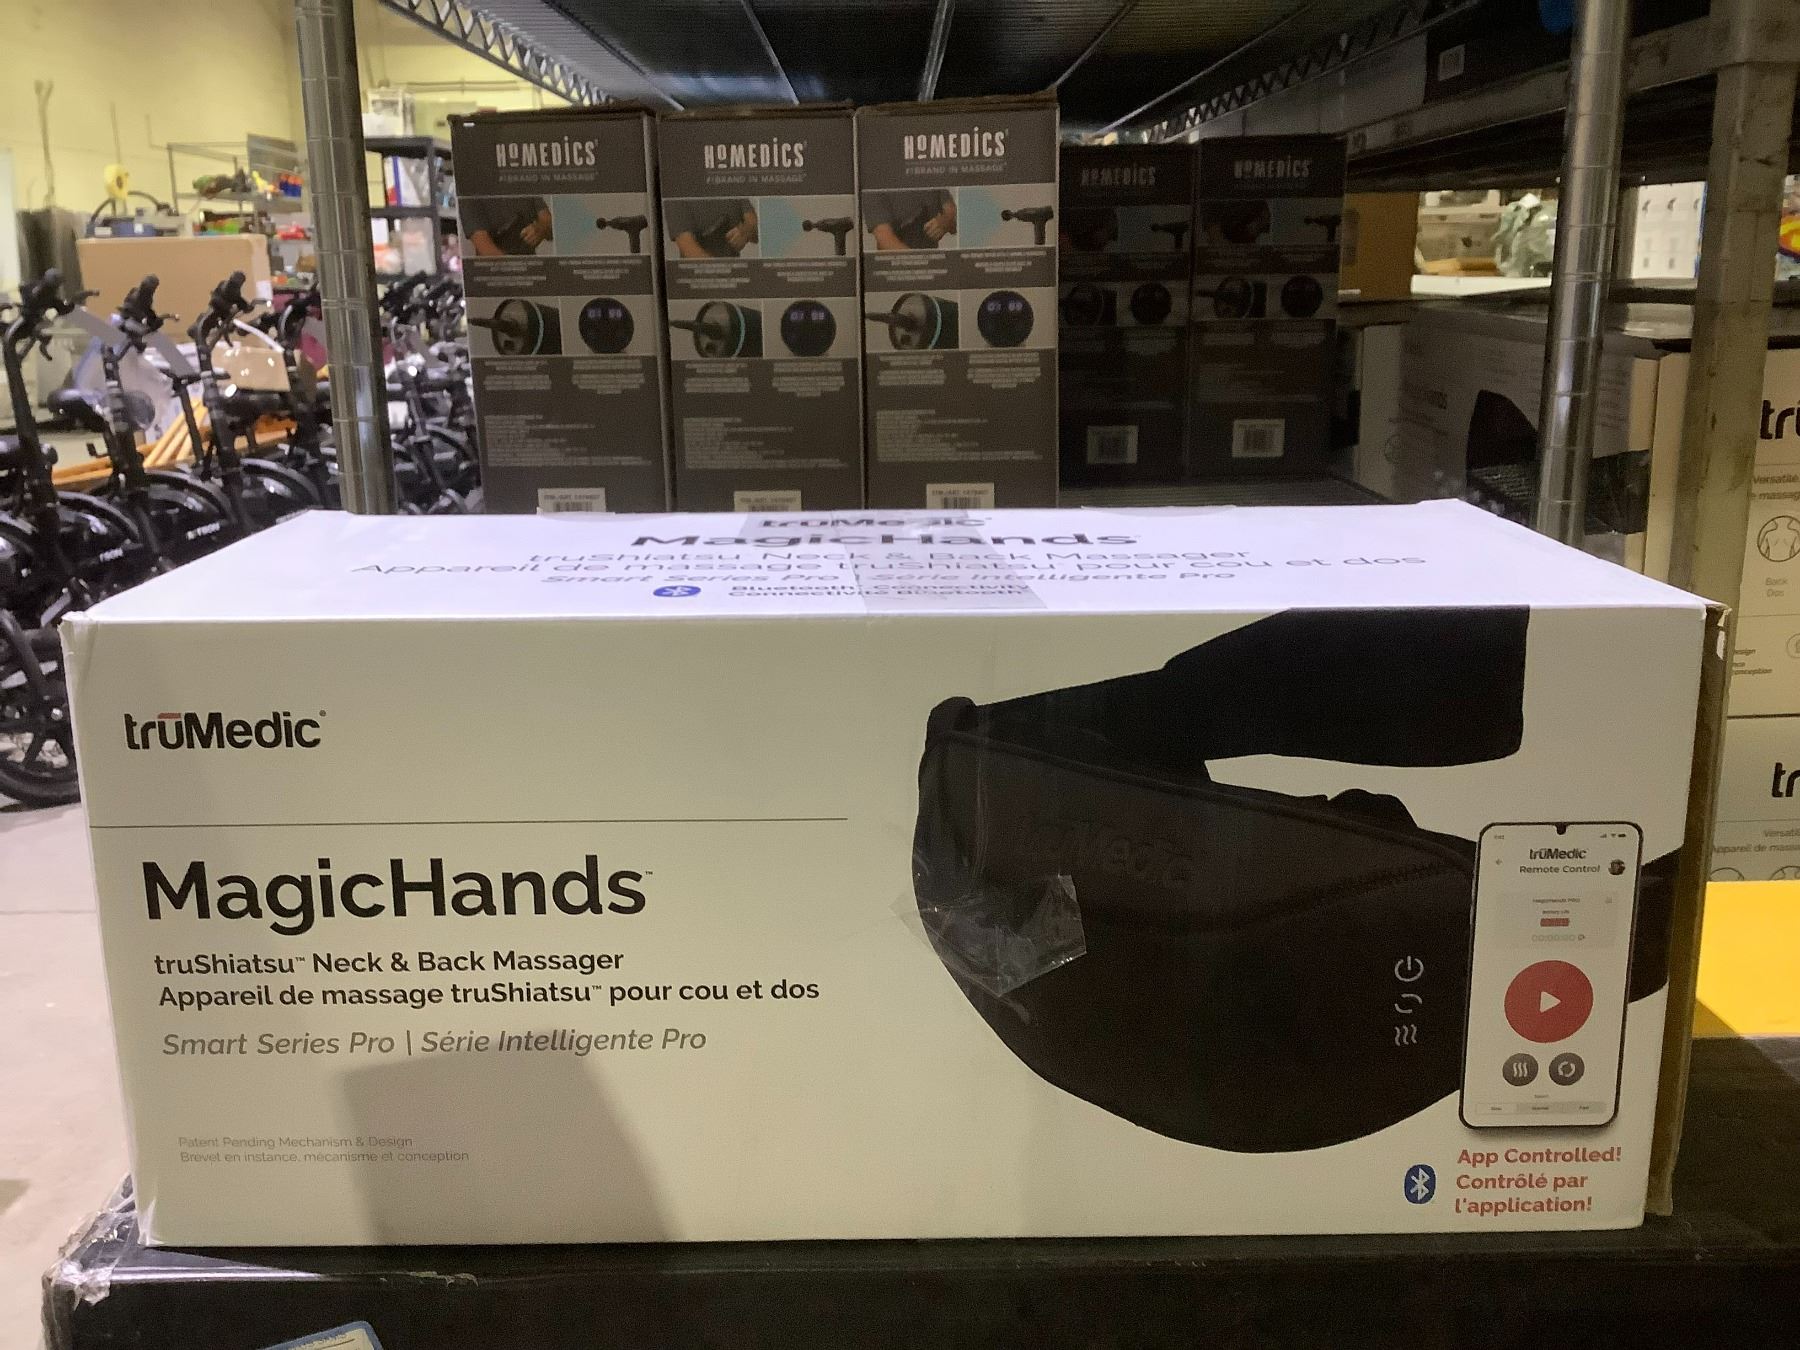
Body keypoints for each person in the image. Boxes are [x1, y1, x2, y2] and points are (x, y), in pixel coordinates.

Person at [866, 189, 955, 250]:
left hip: (931, 260)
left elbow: (951, 212)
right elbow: (884, 238)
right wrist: (919, 263)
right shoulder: (876, 182)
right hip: (895, 265)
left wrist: (945, 221)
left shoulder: (927, 173)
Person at [665, 199, 758, 258]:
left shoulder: (730, 181)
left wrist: (745, 231)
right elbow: (689, 249)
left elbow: (755, 226)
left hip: (733, 273)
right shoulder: (678, 191)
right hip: (699, 276)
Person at [465, 197, 553, 256]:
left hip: (530, 265)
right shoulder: (471, 190)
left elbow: (550, 224)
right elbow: (485, 249)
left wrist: (541, 228)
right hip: (493, 271)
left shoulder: (523, 181)